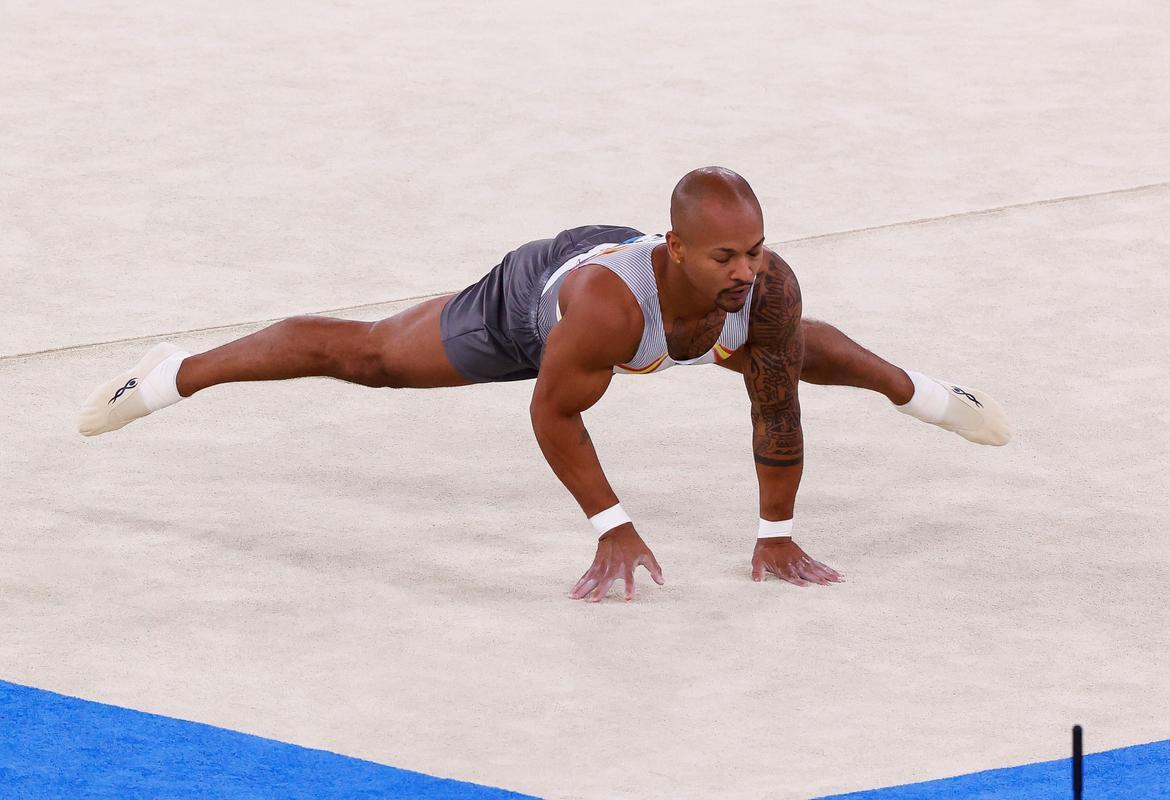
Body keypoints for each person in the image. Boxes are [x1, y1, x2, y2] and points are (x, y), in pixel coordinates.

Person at [78, 167, 1009, 602]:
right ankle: (177, 374)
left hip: (646, 305)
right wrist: (615, 526)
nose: (746, 268)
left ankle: (922, 392)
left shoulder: (760, 285)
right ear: (677, 246)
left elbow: (777, 409)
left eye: (755, 250)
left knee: (786, 348)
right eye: (726, 255)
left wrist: (777, 539)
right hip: (538, 303)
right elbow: (553, 413)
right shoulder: (604, 312)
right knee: (369, 358)